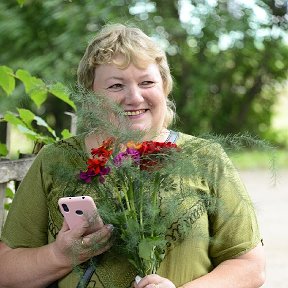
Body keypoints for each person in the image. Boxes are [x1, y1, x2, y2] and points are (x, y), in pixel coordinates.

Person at [0, 23, 265, 288]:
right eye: (116, 86)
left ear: (164, 87)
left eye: (147, 82)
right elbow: (6, 272)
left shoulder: (204, 158)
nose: (134, 97)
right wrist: (58, 256)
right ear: (91, 97)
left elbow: (250, 267)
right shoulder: (55, 160)